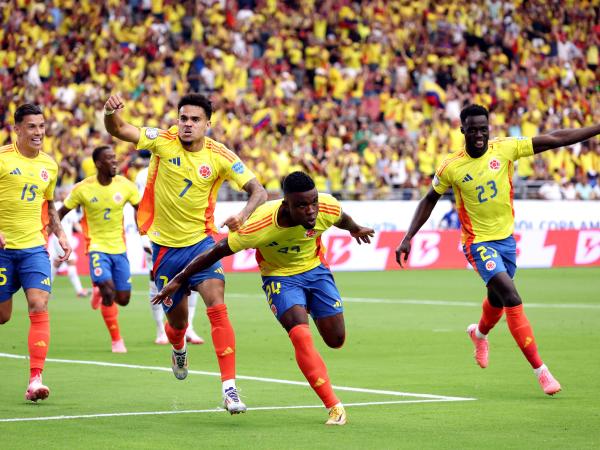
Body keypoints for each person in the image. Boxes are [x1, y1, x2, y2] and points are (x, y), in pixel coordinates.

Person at [396, 104, 600, 396]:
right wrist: (408, 237)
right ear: (462, 129)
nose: (479, 134)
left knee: (498, 300)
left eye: (484, 128)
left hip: (506, 240)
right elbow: (429, 199)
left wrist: (596, 128)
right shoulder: (451, 166)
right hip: (477, 243)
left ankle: (478, 334)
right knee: (512, 296)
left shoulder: (505, 149)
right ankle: (542, 372)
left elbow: (556, 138)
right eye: (473, 129)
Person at [152, 171, 375, 425]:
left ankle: (312, 306)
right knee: (300, 334)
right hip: (279, 278)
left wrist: (355, 229)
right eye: (302, 205)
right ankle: (334, 406)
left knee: (336, 340)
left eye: (313, 202)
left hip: (316, 271)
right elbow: (216, 252)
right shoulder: (259, 226)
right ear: (286, 205)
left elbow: (341, 218)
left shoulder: (327, 206)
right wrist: (180, 279)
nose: (311, 210)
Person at [104, 92, 267, 414]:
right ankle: (178, 347)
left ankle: (229, 388)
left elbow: (258, 190)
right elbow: (120, 129)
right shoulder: (162, 141)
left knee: (217, 305)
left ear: (208, 123)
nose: (187, 124)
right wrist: (110, 113)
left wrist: (245, 214)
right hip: (165, 249)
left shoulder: (220, 155)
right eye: (183, 118)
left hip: (203, 243)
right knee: (176, 324)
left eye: (194, 119)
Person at [0, 104, 72, 401]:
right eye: (31, 126)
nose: (38, 132)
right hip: (3, 251)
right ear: (16, 129)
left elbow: (49, 204)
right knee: (2, 316)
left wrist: (60, 233)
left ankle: (35, 380)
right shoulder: (2, 158)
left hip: (34, 248)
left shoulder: (49, 165)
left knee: (38, 304)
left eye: (42, 126)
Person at [58, 146, 140, 353]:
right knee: (108, 290)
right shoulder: (83, 188)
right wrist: (56, 234)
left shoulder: (126, 186)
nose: (114, 162)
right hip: (96, 246)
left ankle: (98, 289)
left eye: (115, 158)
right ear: (98, 164)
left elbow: (142, 209)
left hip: (119, 248)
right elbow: (60, 213)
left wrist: (146, 230)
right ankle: (117, 340)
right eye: (109, 159)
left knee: (123, 299)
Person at [134, 159, 205, 345]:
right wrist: (143, 237)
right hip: (157, 237)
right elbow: (140, 206)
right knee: (157, 285)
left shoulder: (185, 165)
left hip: (186, 236)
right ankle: (160, 330)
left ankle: (189, 327)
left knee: (192, 279)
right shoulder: (144, 175)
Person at [49, 187, 89, 298]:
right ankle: (79, 291)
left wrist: (85, 233)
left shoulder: (69, 208)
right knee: (70, 262)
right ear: (59, 194)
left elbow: (75, 224)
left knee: (56, 264)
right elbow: (50, 222)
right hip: (59, 240)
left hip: (68, 239)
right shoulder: (56, 206)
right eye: (63, 193)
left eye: (67, 193)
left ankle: (45, 290)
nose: (65, 195)